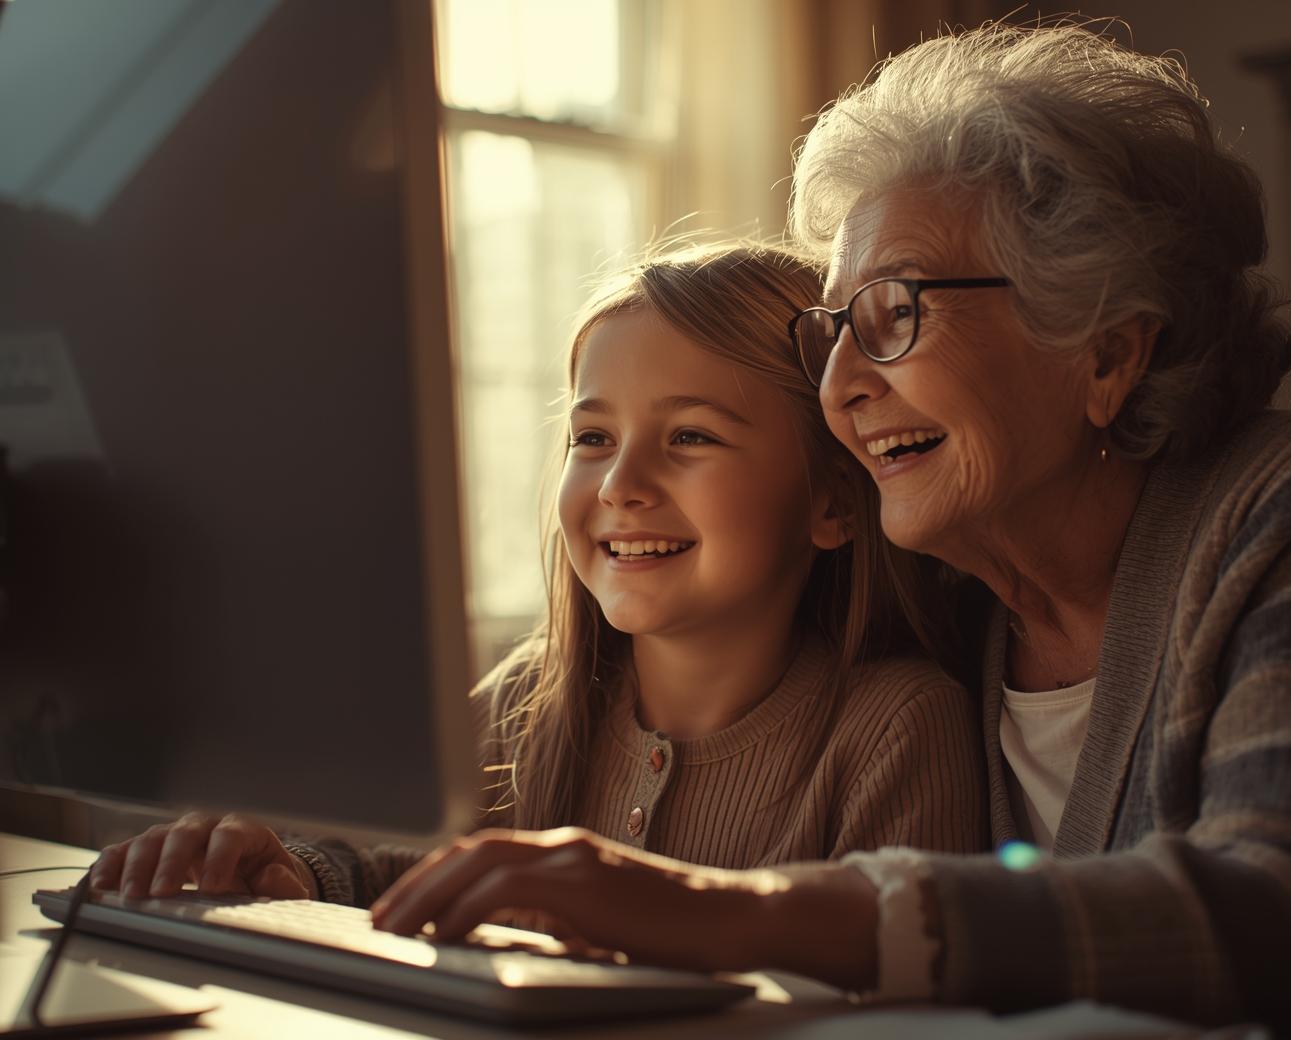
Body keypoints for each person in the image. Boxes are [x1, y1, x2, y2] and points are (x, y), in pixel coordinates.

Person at [363, 22, 1291, 1037]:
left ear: (1105, 352)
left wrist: (728, 906)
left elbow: (1287, 913)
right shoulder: (942, 586)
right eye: (833, 328)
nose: (841, 388)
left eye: (895, 311)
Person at [90, 244, 988, 905]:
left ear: (833, 502)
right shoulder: (535, 701)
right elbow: (423, 875)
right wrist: (296, 872)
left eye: (691, 437)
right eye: (592, 439)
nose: (622, 486)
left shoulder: (899, 732)